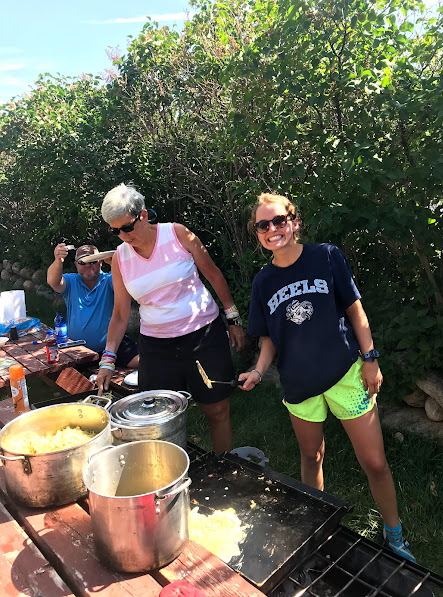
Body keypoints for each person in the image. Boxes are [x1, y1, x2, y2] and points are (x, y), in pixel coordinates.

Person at [238, 192, 416, 562]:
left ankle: (394, 534)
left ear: (294, 221)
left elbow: (355, 309)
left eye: (279, 220)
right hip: (299, 385)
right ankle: (316, 530)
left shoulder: (326, 256)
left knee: (375, 462)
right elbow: (268, 339)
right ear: (257, 233)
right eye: (263, 225)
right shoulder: (263, 282)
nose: (272, 229)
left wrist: (370, 358)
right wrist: (257, 370)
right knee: (311, 455)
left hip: (346, 375)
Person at [96, 183, 245, 454]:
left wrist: (233, 318)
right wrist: (108, 358)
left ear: (143, 215)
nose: (123, 236)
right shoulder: (120, 258)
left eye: (126, 227)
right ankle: (169, 471)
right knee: (157, 419)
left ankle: (224, 467)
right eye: (115, 231)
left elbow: (213, 274)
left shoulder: (177, 234)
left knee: (216, 410)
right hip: (157, 347)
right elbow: (119, 313)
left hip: (203, 336)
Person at [47, 243, 139, 368]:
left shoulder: (109, 279)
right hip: (77, 349)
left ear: (100, 262)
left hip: (111, 346)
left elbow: (128, 284)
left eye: (92, 261)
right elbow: (53, 281)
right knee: (66, 375)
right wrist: (58, 260)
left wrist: (115, 265)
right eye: (82, 262)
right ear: (76, 264)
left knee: (142, 363)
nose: (88, 265)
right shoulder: (71, 281)